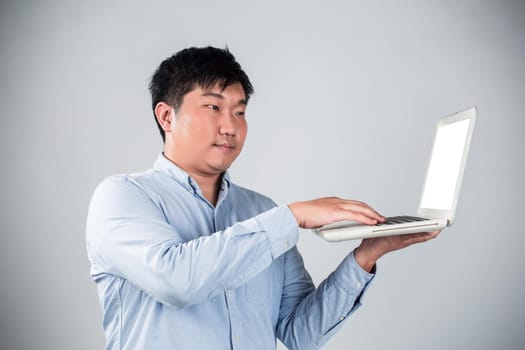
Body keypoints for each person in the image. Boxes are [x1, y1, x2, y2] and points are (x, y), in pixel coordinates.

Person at [85, 46, 439, 350]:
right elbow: (176, 280)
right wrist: (292, 217)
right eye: (213, 108)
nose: (230, 126)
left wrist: (366, 255)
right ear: (167, 116)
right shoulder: (122, 197)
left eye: (240, 111)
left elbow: (301, 334)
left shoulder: (261, 211)